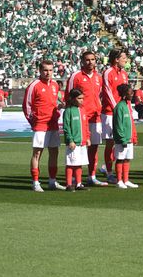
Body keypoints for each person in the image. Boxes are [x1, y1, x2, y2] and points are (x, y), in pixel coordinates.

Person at [66, 51, 107, 186]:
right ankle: (74, 178)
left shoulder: (98, 77)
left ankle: (91, 175)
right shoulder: (76, 76)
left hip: (95, 117)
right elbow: (69, 95)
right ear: (82, 61)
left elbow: (99, 95)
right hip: (80, 118)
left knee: (94, 147)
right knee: (76, 147)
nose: (90, 62)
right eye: (87, 60)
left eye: (93, 59)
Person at [24, 60, 64, 192]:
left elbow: (53, 103)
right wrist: (33, 121)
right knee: (37, 153)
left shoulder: (54, 85)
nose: (48, 73)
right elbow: (26, 106)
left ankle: (52, 181)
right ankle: (35, 182)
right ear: (40, 71)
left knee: (54, 152)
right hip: (40, 124)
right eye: (45, 70)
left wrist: (59, 108)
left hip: (53, 124)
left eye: (51, 70)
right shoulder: (34, 85)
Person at [100, 49, 129, 183]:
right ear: (116, 59)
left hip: (122, 112)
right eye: (123, 57)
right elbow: (107, 92)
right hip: (110, 113)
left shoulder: (124, 74)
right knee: (110, 142)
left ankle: (117, 171)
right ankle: (109, 171)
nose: (126, 59)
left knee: (121, 141)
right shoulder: (108, 72)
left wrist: (126, 110)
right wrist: (117, 109)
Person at [62, 89, 89, 192]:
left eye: (82, 98)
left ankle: (78, 183)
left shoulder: (83, 110)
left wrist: (87, 138)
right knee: (71, 164)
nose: (81, 100)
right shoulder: (68, 111)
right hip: (73, 143)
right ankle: (68, 184)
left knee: (79, 163)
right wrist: (70, 140)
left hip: (82, 142)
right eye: (79, 98)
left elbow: (85, 126)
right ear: (73, 99)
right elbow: (66, 127)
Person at [113, 84, 138, 189]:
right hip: (122, 140)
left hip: (129, 138)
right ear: (124, 94)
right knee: (120, 159)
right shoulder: (119, 107)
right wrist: (122, 138)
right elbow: (118, 125)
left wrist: (133, 136)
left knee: (127, 159)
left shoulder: (127, 105)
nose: (132, 94)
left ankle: (126, 180)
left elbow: (130, 123)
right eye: (130, 92)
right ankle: (119, 180)